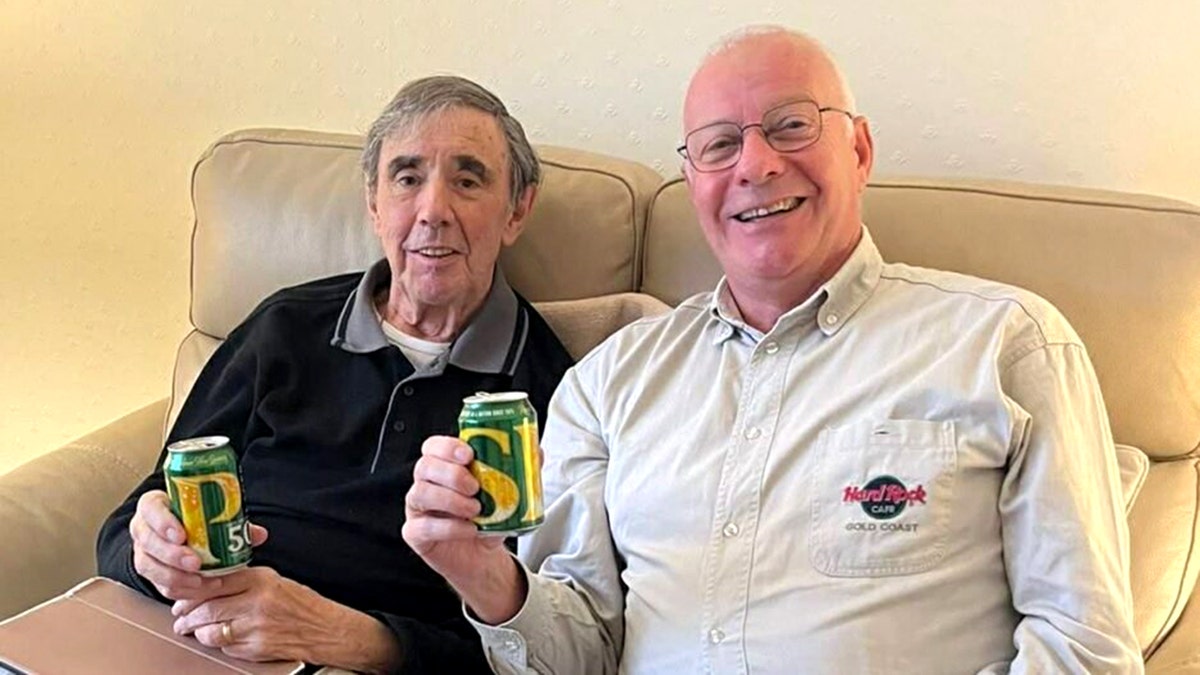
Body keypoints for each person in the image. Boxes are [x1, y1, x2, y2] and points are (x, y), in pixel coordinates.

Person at [403, 27, 1143, 674]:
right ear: (694, 182)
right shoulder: (607, 383)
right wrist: (487, 577)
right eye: (720, 144)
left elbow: (1086, 647)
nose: (754, 164)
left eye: (790, 126)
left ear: (858, 149)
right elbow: (577, 657)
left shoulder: (1006, 343)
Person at [96, 75, 574, 674]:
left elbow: (537, 650)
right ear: (374, 203)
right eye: (406, 178)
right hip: (190, 642)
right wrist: (150, 555)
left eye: (468, 180)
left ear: (517, 210)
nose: (433, 212)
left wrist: (344, 637)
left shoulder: (553, 390)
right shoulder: (283, 326)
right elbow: (123, 526)